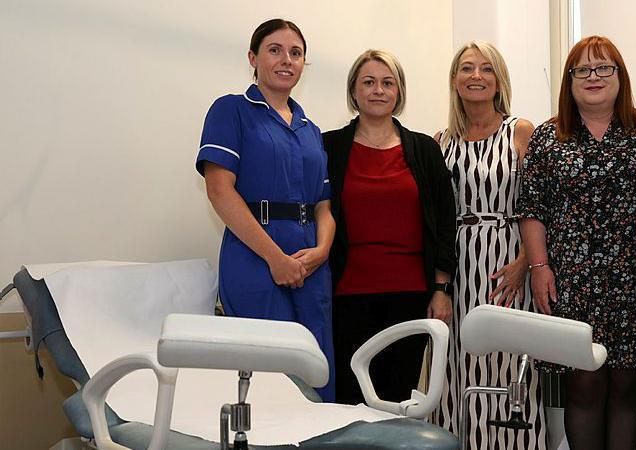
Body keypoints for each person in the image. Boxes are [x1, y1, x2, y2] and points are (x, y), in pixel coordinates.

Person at [517, 36, 636, 449]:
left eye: (604, 68)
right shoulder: (547, 137)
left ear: (620, 75)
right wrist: (539, 268)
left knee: (629, 385)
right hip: (570, 280)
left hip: (632, 278)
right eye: (582, 70)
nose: (593, 77)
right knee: (583, 384)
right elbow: (532, 209)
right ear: (569, 80)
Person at [195, 19, 336, 401]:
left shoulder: (311, 130)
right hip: (255, 259)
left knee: (318, 370)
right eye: (274, 50)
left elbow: (323, 205)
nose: (286, 60)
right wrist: (275, 258)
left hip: (311, 263)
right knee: (272, 377)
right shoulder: (231, 111)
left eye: (296, 53)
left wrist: (322, 251)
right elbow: (220, 192)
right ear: (253, 58)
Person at [322, 49, 456, 405]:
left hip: (410, 297)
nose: (378, 90)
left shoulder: (425, 150)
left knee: (397, 403)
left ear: (399, 92)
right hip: (346, 297)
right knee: (349, 403)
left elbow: (445, 222)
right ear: (354, 92)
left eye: (387, 82)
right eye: (368, 82)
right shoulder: (328, 147)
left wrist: (442, 289)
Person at [432, 41, 546, 450]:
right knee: (454, 363)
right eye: (466, 68)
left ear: (499, 80)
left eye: (485, 68)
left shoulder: (520, 131)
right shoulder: (440, 140)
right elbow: (436, 218)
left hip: (507, 259)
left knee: (503, 359)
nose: (475, 76)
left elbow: (539, 205)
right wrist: (439, 284)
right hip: (457, 263)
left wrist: (525, 263)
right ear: (454, 80)